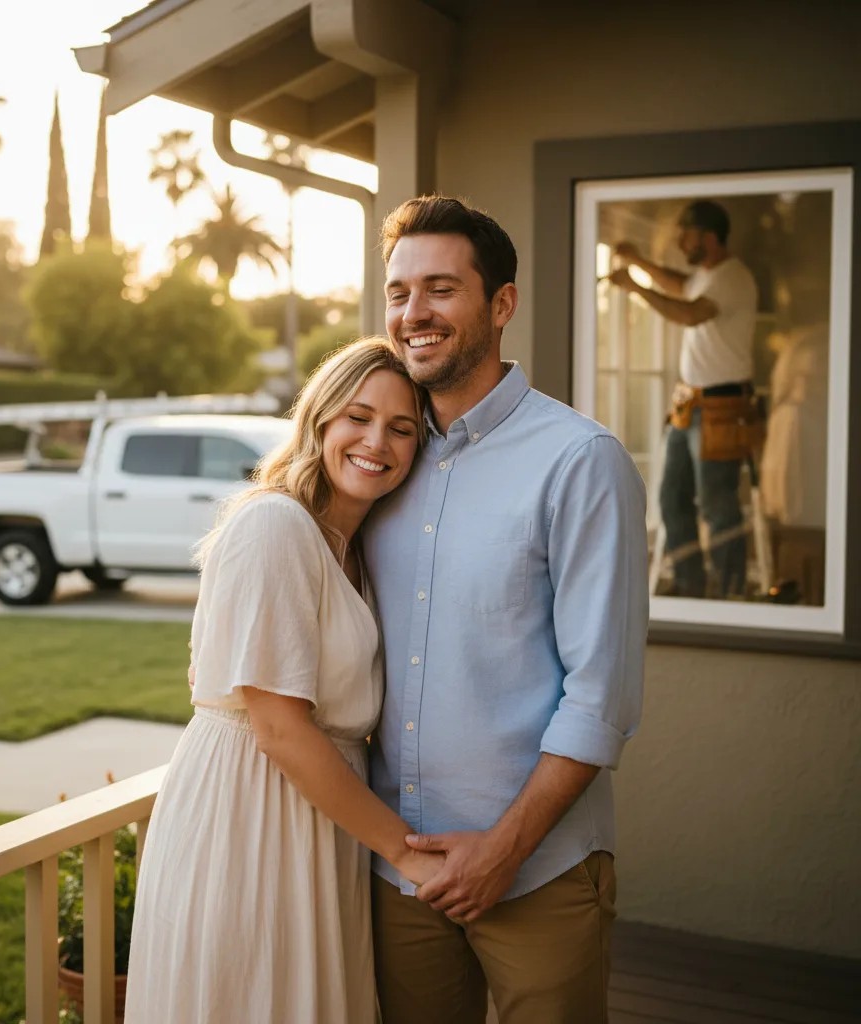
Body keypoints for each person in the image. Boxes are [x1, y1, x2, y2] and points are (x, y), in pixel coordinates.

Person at [366, 196, 648, 1023]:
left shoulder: (580, 461)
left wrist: (503, 851)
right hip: (400, 874)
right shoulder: (380, 456)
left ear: (501, 304)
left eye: (441, 289)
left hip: (539, 873)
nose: (413, 313)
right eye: (397, 292)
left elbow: (602, 697)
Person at [124, 338, 445, 1024]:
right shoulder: (276, 526)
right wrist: (405, 853)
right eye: (357, 417)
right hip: (250, 816)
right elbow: (277, 727)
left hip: (316, 823)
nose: (376, 441)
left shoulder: (352, 548)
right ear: (320, 421)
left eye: (401, 428)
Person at [609, 200, 759, 598]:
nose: (679, 241)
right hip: (689, 406)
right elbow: (680, 285)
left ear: (707, 237)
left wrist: (636, 286)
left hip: (722, 407)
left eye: (685, 234)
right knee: (671, 496)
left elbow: (690, 313)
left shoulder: (732, 278)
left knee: (716, 502)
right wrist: (640, 262)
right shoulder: (707, 276)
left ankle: (731, 590)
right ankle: (691, 584)